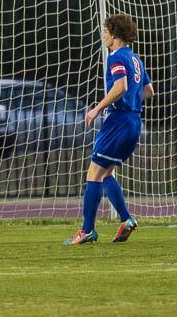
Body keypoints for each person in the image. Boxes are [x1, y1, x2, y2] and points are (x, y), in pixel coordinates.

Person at [64, 15, 153, 246]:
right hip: (134, 122)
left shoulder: (115, 57)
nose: (103, 35)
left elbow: (121, 86)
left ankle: (86, 231)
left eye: (105, 31)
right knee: (106, 174)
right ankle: (126, 219)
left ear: (114, 34)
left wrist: (97, 109)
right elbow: (149, 91)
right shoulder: (135, 59)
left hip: (118, 121)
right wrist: (131, 103)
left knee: (93, 173)